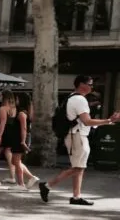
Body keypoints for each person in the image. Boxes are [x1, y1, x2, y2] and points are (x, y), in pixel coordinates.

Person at [39, 75, 120, 205]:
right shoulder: (80, 100)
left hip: (75, 135)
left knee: (79, 167)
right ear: (82, 84)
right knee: (78, 168)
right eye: (90, 84)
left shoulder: (72, 97)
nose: (92, 87)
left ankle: (76, 197)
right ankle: (48, 185)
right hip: (77, 136)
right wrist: (109, 120)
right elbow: (87, 121)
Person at [12, 93, 39, 189]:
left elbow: (24, 128)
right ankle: (31, 178)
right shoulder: (24, 112)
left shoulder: (22, 113)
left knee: (17, 161)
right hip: (19, 138)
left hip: (19, 138)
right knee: (15, 161)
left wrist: (23, 141)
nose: (15, 101)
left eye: (17, 99)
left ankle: (21, 183)